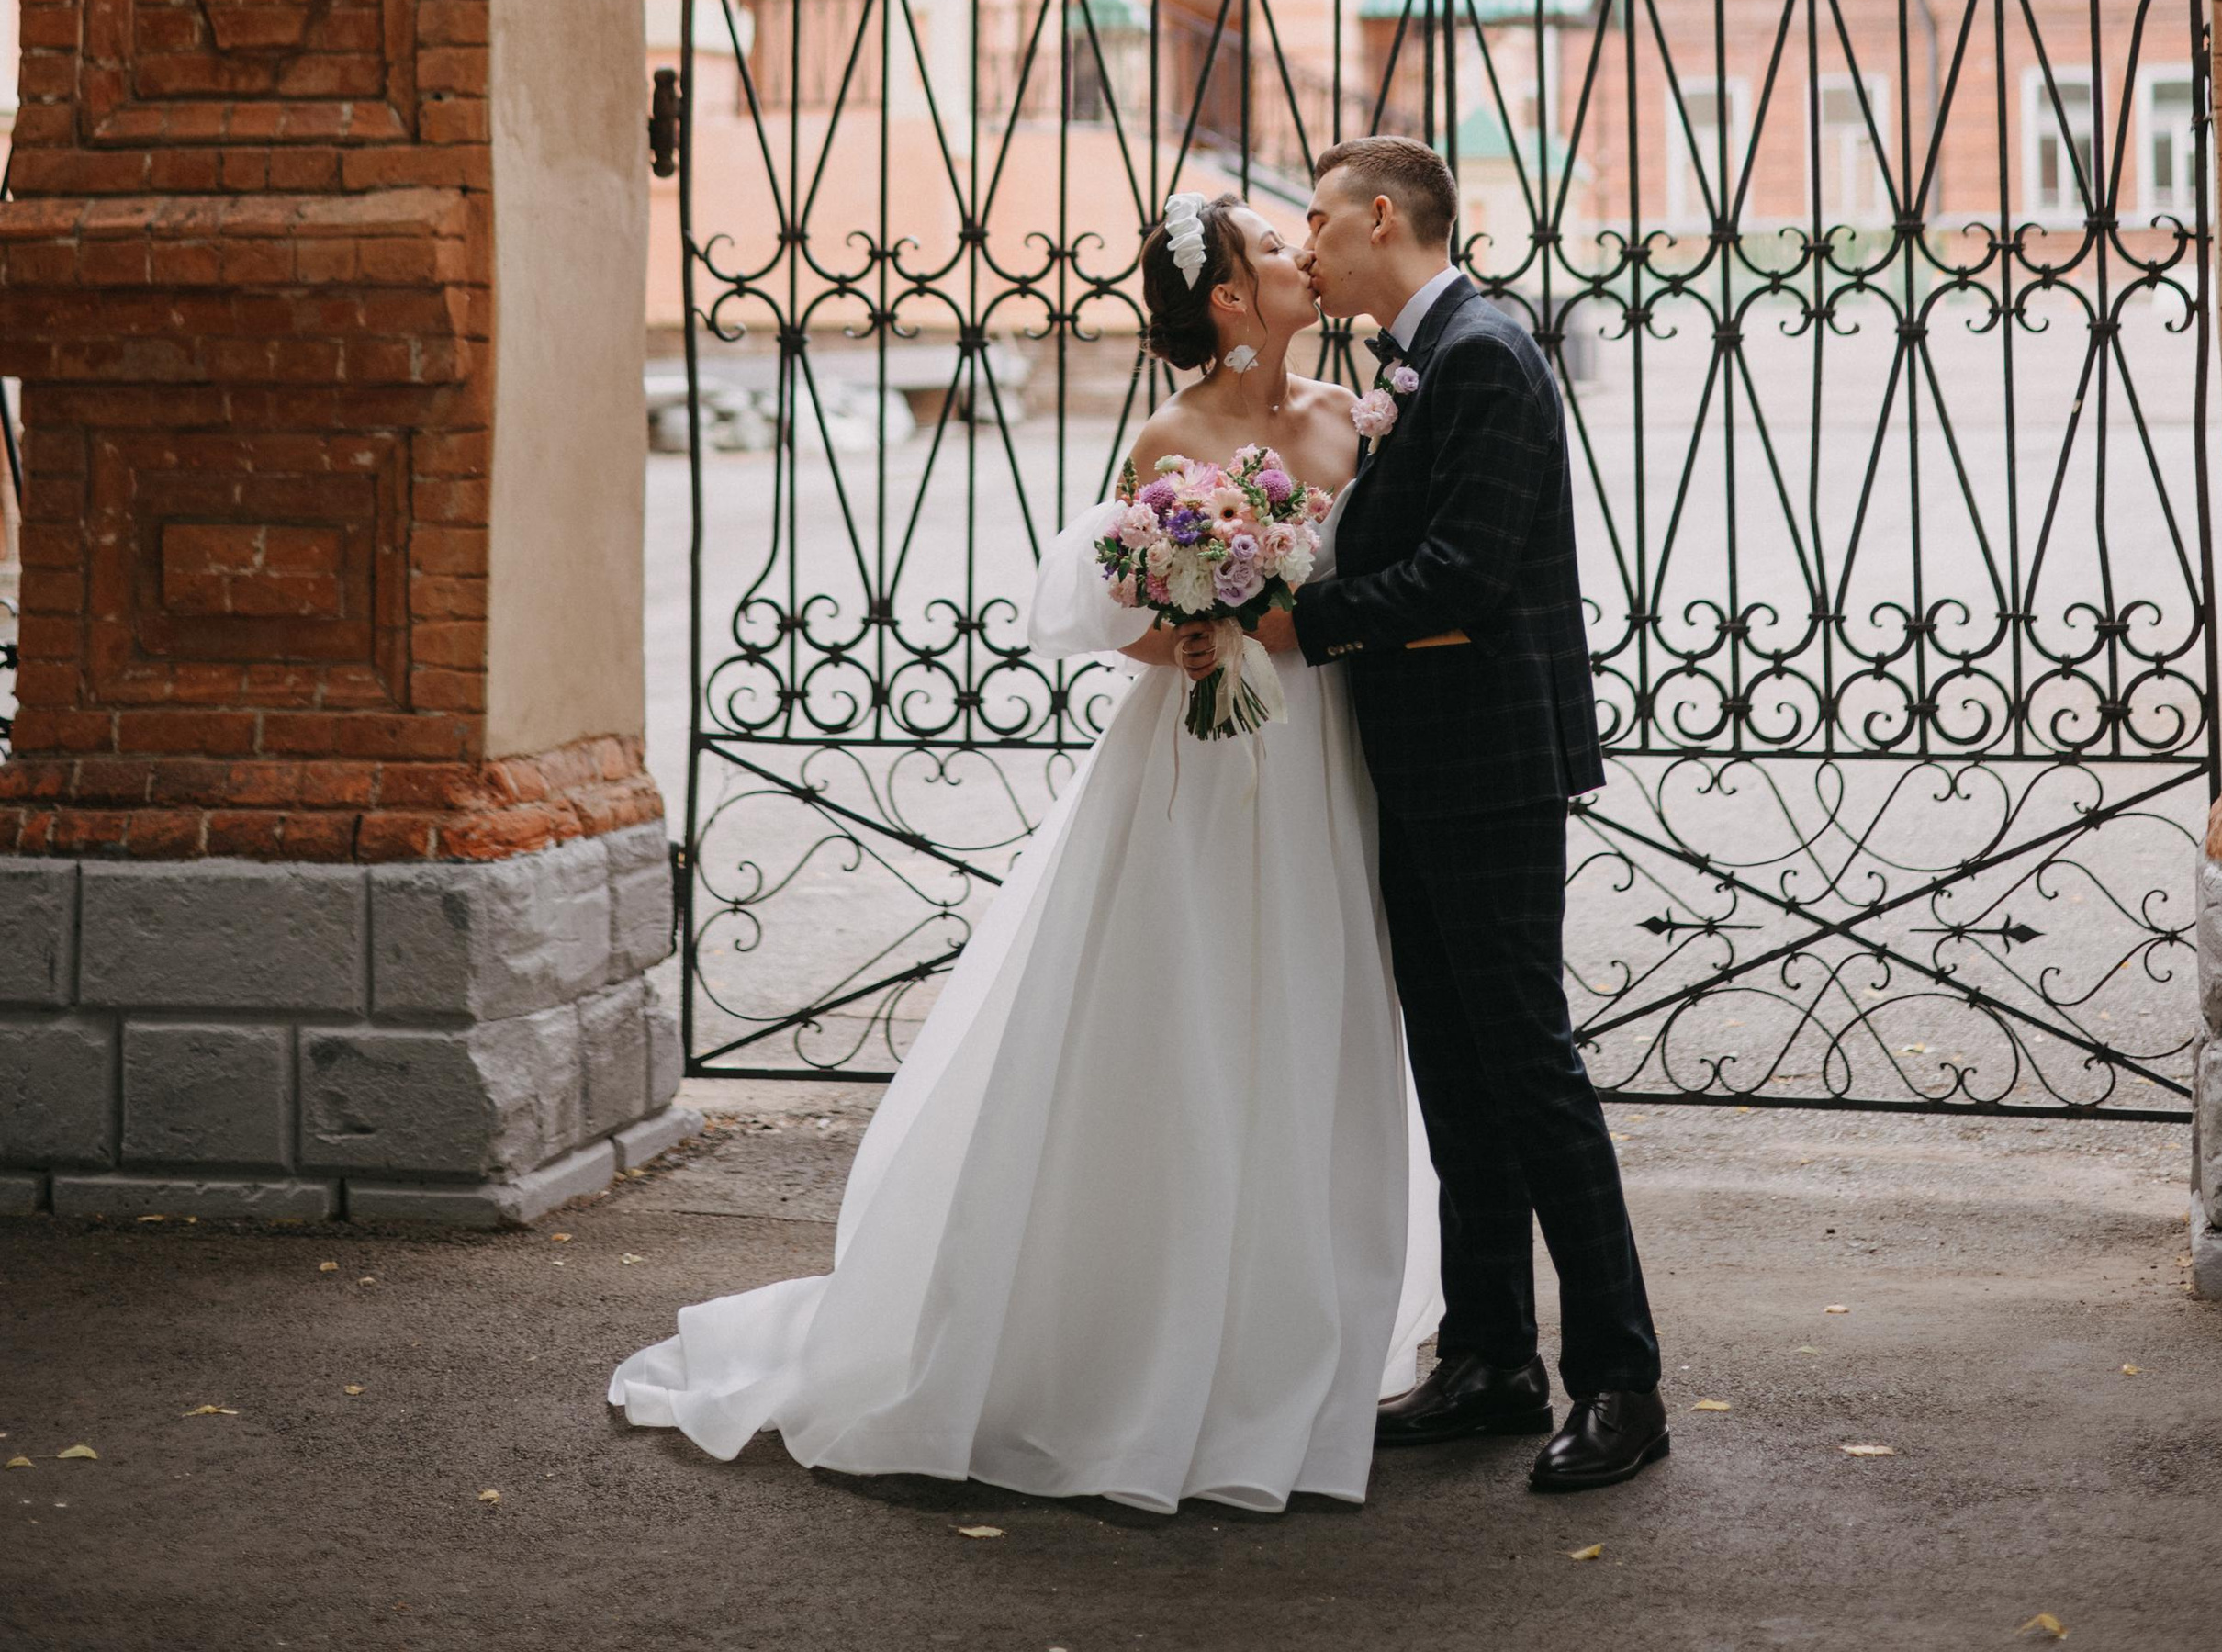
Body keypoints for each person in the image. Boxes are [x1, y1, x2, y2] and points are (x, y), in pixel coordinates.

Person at [607, 194, 1440, 1515]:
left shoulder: (1353, 417)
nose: (1301, 255)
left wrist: (1289, 618)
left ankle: (1288, 1332)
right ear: (1231, 298)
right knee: (1182, 1018)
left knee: (1310, 1009)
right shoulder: (1170, 438)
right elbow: (1126, 611)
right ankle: (1138, 1338)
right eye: (1275, 248)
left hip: (1320, 756)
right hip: (1197, 763)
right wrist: (1204, 634)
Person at [1194, 134, 1666, 1496]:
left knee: (1529, 1067)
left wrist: (1298, 622)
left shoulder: (1483, 356)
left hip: (1490, 764)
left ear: (1383, 218)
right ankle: (1492, 1357)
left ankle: (1623, 1380)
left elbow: (1465, 572)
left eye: (1319, 218)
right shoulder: (1418, 360)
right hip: (1421, 760)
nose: (1306, 243)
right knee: (1457, 1075)